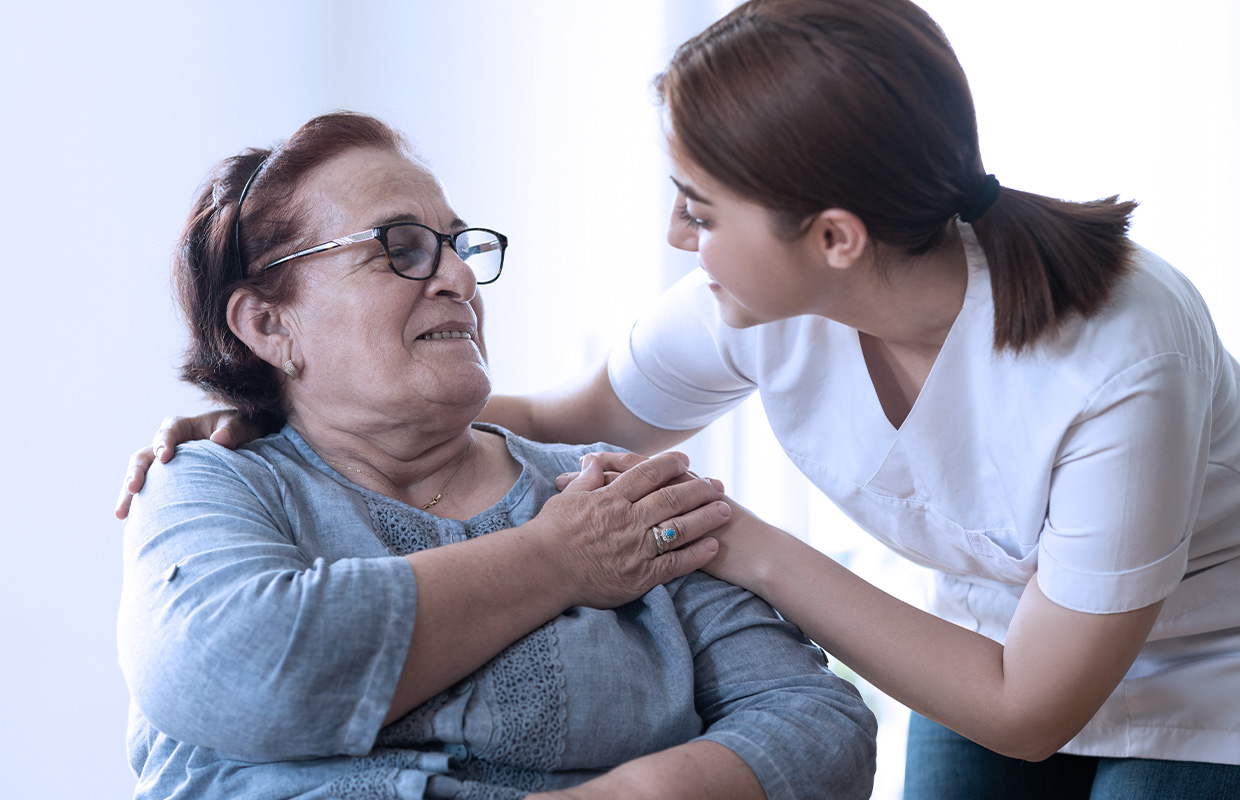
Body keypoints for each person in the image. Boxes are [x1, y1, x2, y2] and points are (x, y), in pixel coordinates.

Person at [117, 1, 1240, 797]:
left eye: (698, 207)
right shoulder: (224, 493)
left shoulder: (1122, 359)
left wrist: (729, 548)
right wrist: (263, 409)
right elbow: (568, 418)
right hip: (990, 638)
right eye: (402, 248)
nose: (674, 236)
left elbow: (865, 724)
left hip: (1199, 668)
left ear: (835, 240)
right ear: (262, 325)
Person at [117, 111, 878, 800]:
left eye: (456, 247)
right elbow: (238, 669)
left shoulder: (606, 486)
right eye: (400, 250)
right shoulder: (208, 482)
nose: (457, 278)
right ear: (268, 324)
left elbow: (819, 723)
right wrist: (557, 559)